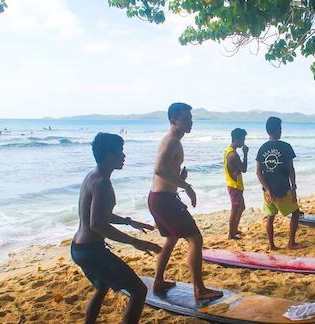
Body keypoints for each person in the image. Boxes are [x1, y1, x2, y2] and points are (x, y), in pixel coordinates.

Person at [71, 133, 161, 324]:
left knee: (102, 286)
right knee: (139, 291)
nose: (124, 156)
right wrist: (135, 242)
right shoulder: (103, 183)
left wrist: (129, 222)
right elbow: (98, 224)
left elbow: (99, 216)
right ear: (109, 156)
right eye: (120, 151)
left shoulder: (92, 176)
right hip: (91, 251)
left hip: (78, 248)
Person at [148, 102, 223, 300]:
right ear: (174, 120)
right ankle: (199, 290)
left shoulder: (170, 140)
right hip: (164, 199)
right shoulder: (172, 141)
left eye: (191, 118)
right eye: (186, 118)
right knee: (195, 239)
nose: (191, 122)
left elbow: (165, 171)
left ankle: (158, 280)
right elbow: (159, 170)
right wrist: (187, 187)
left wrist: (180, 178)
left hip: (157, 197)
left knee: (171, 239)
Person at [256, 116, 301, 250]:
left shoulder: (262, 148)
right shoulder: (286, 147)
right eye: (280, 129)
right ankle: (291, 242)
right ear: (277, 130)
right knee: (296, 212)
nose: (281, 131)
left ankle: (272, 245)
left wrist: (267, 189)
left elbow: (258, 173)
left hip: (268, 190)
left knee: (270, 216)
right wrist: (293, 188)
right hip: (283, 189)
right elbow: (290, 169)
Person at [224, 128, 248, 239]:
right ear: (237, 139)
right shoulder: (233, 154)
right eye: (243, 139)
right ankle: (231, 234)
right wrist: (245, 154)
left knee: (241, 207)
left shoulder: (228, 150)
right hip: (234, 185)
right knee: (235, 209)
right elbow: (244, 169)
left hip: (234, 184)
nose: (244, 142)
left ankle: (234, 229)